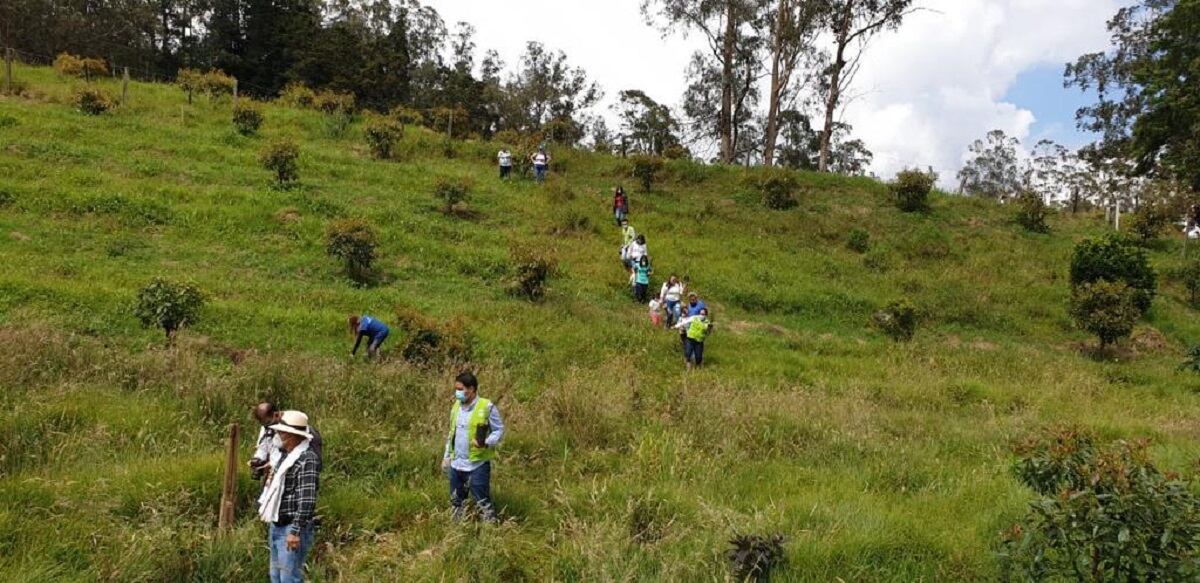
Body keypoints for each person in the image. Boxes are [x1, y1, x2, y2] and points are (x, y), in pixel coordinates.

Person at [257, 410, 321, 583]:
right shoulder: (286, 457)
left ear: (292, 436)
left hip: (291, 527)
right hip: (278, 524)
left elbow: (307, 500)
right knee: (276, 576)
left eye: (282, 432)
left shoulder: (307, 459)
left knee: (289, 578)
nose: (278, 435)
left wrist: (295, 531)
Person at [442, 371, 505, 523]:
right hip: (456, 463)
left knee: (482, 501)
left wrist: (487, 442)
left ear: (471, 389)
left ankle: (490, 530)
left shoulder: (486, 406)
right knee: (456, 501)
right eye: (456, 389)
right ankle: (456, 531)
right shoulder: (456, 406)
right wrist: (446, 457)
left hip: (477, 464)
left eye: (460, 389)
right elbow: (452, 433)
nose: (457, 393)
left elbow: (499, 430)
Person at [250, 402, 323, 475]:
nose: (267, 426)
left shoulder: (293, 425)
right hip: (273, 472)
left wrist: (273, 464)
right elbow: (263, 446)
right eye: (264, 424)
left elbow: (293, 450)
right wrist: (258, 460)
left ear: (276, 414)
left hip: (292, 470)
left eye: (268, 422)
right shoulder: (267, 425)